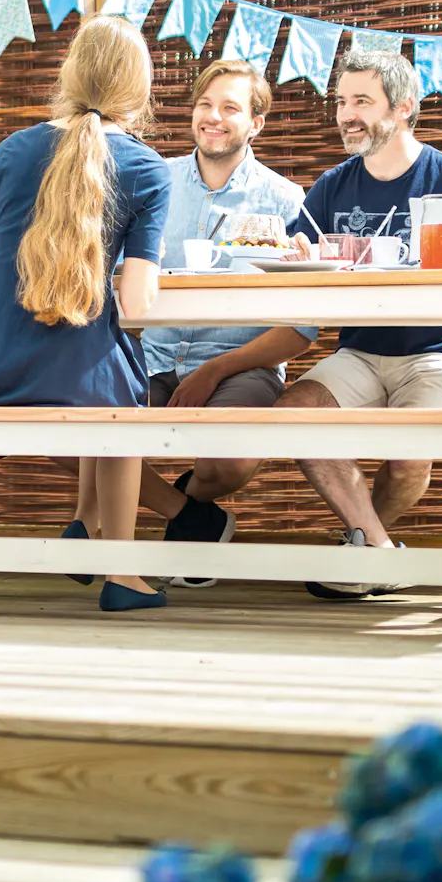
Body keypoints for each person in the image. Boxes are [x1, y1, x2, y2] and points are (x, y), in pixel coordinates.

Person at [0, 15, 172, 612]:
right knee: (120, 403)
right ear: (138, 90)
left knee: (107, 387)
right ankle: (122, 573)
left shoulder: (11, 151)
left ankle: (83, 526)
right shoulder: (148, 168)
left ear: (68, 73)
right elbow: (137, 303)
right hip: (78, 376)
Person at [280, 48, 442, 599]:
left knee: (409, 455)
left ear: (403, 108)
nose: (346, 114)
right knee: (292, 412)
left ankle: (365, 549)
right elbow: (289, 246)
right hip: (361, 352)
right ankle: (378, 552)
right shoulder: (331, 186)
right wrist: (296, 250)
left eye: (362, 101)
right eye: (341, 102)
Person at [123, 60, 317, 586]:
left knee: (230, 460)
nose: (213, 117)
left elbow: (303, 329)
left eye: (230, 108)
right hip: (153, 357)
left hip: (241, 366)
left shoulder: (286, 201)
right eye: (205, 105)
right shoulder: (152, 181)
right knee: (82, 431)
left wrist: (215, 370)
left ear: (256, 123)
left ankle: (192, 505)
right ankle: (190, 517)